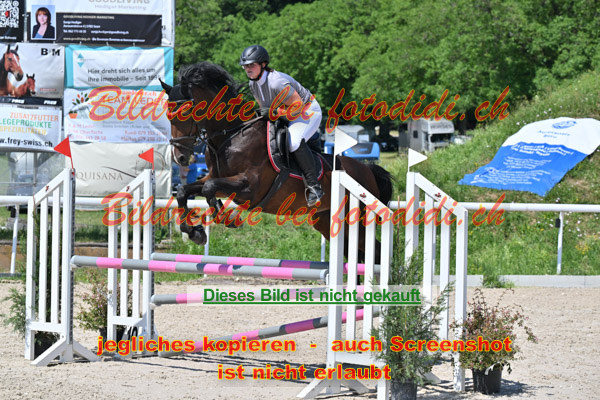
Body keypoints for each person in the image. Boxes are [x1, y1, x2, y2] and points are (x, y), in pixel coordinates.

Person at [240, 45, 324, 207]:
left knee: (293, 142)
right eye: (245, 66)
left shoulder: (276, 82)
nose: (247, 69)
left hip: (307, 111)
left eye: (251, 65)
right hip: (286, 113)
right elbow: (265, 108)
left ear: (263, 64)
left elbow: (298, 107)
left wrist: (274, 112)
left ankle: (314, 186)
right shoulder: (253, 84)